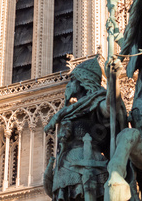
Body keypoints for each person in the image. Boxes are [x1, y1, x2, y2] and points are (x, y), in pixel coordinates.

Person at [43, 57, 118, 201]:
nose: (68, 85)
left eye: (72, 80)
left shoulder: (96, 102)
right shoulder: (70, 111)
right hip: (66, 168)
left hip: (89, 165)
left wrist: (113, 79)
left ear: (83, 81)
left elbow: (110, 107)